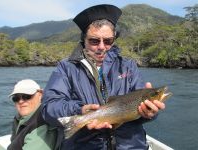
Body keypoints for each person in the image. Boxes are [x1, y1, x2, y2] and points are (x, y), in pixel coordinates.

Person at [41, 4, 165, 150]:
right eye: (94, 40)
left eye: (108, 41)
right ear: (84, 39)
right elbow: (48, 108)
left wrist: (150, 113)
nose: (101, 47)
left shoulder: (128, 66)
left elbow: (140, 113)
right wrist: (79, 110)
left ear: (114, 39)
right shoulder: (66, 68)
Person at [7, 79, 57, 150]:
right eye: (16, 98)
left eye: (27, 96)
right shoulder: (21, 118)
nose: (21, 101)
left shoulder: (41, 125)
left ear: (40, 95)